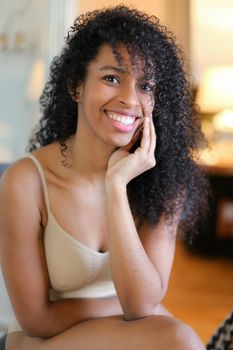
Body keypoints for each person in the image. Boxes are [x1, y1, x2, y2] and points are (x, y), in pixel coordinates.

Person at [0, 5, 208, 350]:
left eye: (146, 86)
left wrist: (115, 187)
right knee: (179, 339)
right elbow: (37, 318)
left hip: (135, 330)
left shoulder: (165, 181)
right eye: (112, 78)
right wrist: (123, 311)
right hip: (43, 341)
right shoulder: (26, 182)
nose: (129, 99)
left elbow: (141, 304)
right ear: (76, 86)